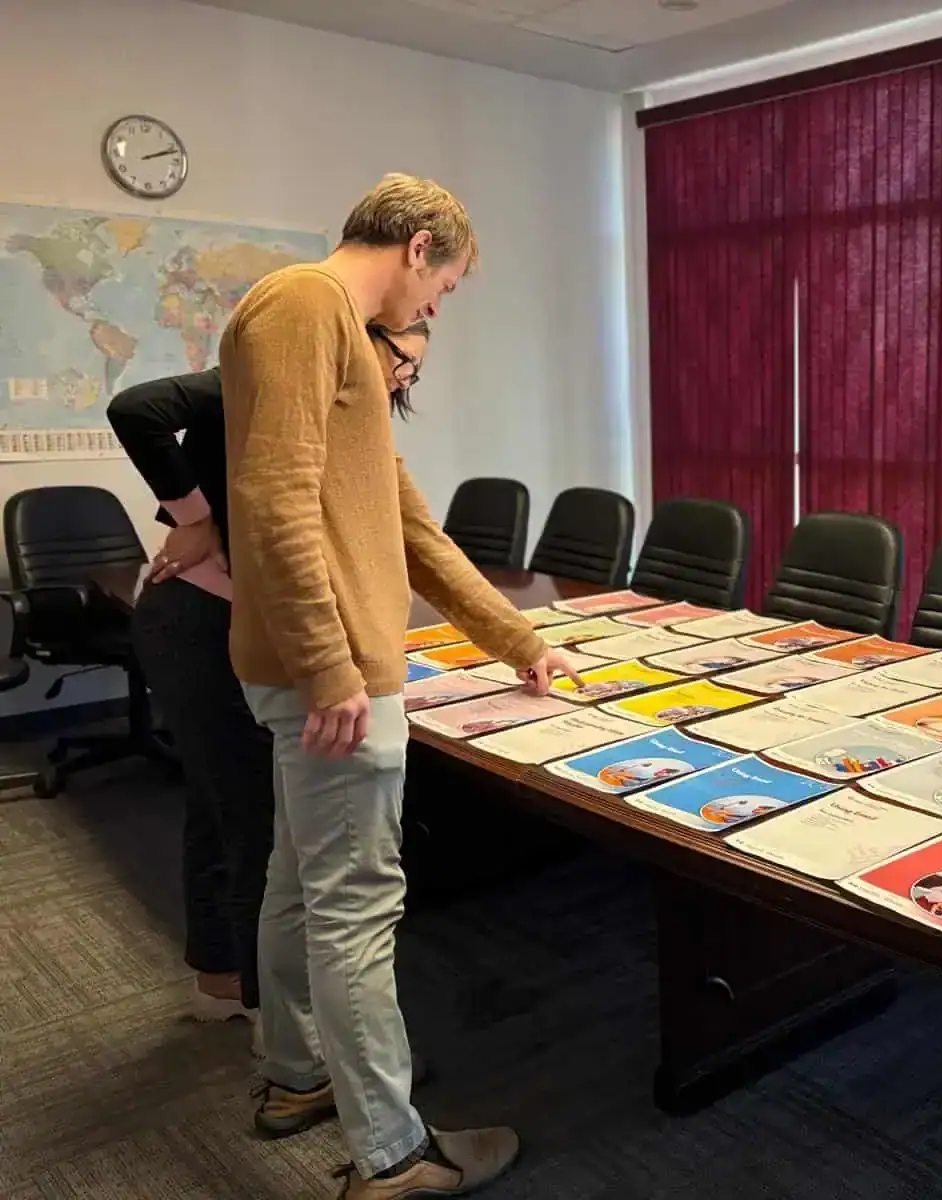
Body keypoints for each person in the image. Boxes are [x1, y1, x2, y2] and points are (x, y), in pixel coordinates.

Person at [219, 173, 578, 1198]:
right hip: (329, 674)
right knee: (355, 908)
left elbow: (413, 531)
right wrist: (333, 664)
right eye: (444, 289)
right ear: (419, 247)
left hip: (313, 669)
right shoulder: (305, 303)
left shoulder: (344, 349)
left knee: (301, 882)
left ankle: (296, 1076)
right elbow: (271, 496)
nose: (430, 313)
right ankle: (393, 1154)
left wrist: (515, 639)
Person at [108, 321, 431, 1039]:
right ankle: (278, 1027)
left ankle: (222, 980)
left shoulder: (338, 419)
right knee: (256, 821)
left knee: (220, 806)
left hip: (203, 620)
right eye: (402, 359)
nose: (405, 378)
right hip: (200, 623)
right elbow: (136, 409)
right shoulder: (265, 384)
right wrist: (194, 518)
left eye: (415, 372)